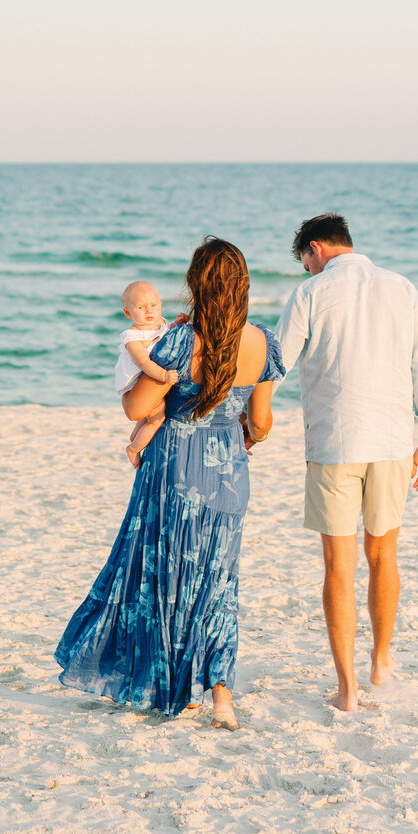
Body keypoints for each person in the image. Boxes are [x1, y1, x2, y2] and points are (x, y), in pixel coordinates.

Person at [56, 237, 282, 729]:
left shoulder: (181, 341)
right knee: (219, 583)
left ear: (195, 285)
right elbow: (262, 424)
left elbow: (136, 409)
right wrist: (240, 433)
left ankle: (170, 687)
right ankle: (220, 694)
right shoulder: (263, 341)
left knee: (162, 577)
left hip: (174, 469)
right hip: (228, 473)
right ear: (243, 286)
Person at [276, 214, 418, 713]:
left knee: (338, 567)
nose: (308, 270)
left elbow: (277, 361)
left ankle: (347, 689)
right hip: (392, 441)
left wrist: (249, 417)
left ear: (315, 249)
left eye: (305, 261)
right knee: (384, 555)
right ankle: (381, 659)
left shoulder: (311, 293)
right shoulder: (401, 287)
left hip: (334, 444)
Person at [114, 278, 180, 468]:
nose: (149, 311)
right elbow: (144, 362)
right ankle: (133, 448)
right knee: (156, 419)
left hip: (147, 380)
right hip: (135, 383)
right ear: (128, 313)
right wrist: (164, 376)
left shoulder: (159, 324)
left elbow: (166, 338)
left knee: (149, 415)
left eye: (153, 305)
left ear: (160, 305)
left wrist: (176, 324)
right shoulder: (132, 337)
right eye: (142, 307)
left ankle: (135, 435)